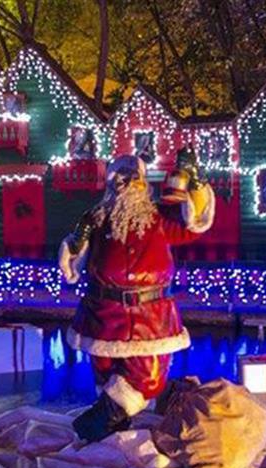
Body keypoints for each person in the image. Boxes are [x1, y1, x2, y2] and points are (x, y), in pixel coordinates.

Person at [58, 152, 215, 442]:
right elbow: (75, 256)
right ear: (111, 183)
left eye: (134, 178)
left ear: (144, 182)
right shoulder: (97, 218)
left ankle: (92, 426)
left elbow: (194, 222)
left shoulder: (160, 217)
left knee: (147, 380)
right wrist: (75, 243)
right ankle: (112, 440)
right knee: (106, 375)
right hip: (103, 314)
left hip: (150, 316)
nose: (128, 183)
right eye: (121, 177)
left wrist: (196, 180)